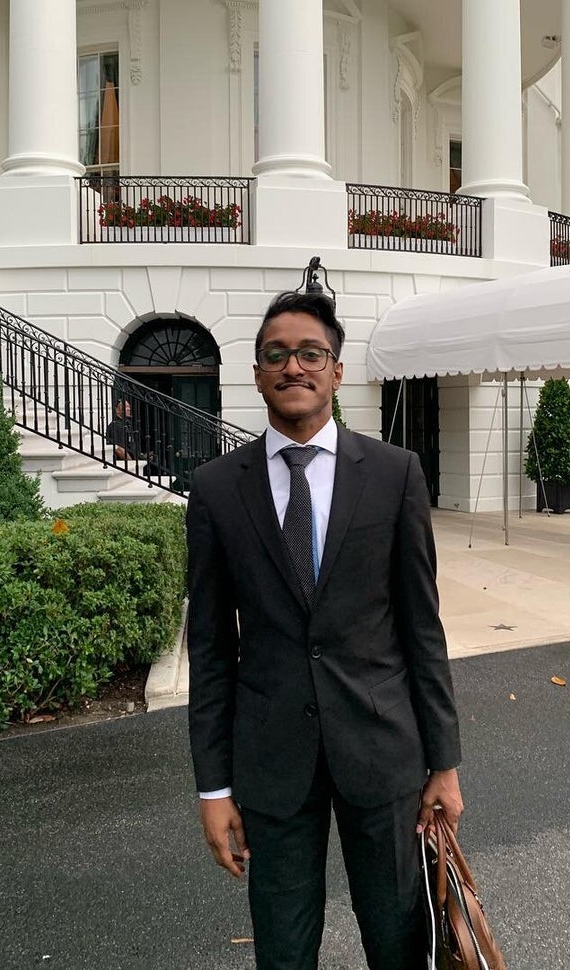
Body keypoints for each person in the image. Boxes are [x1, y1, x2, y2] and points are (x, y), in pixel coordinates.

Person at [186, 290, 463, 970]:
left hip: (383, 749)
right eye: (275, 355)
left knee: (401, 940)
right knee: (283, 949)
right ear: (257, 375)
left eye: (311, 353)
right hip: (272, 758)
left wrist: (445, 762)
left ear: (337, 371)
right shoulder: (218, 488)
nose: (293, 366)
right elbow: (213, 651)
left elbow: (422, 628)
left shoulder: (395, 475)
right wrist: (213, 789)